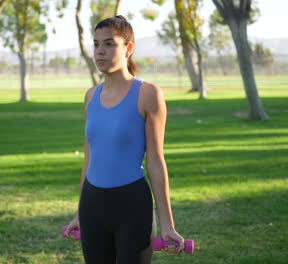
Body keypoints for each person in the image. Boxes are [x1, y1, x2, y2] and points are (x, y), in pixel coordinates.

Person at [65, 15, 185, 264]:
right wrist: (79, 213)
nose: (100, 51)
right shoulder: (90, 96)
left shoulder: (148, 94)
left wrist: (168, 225)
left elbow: (155, 161)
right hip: (92, 206)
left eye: (109, 44)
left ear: (128, 48)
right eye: (96, 44)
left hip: (131, 206)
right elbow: (89, 161)